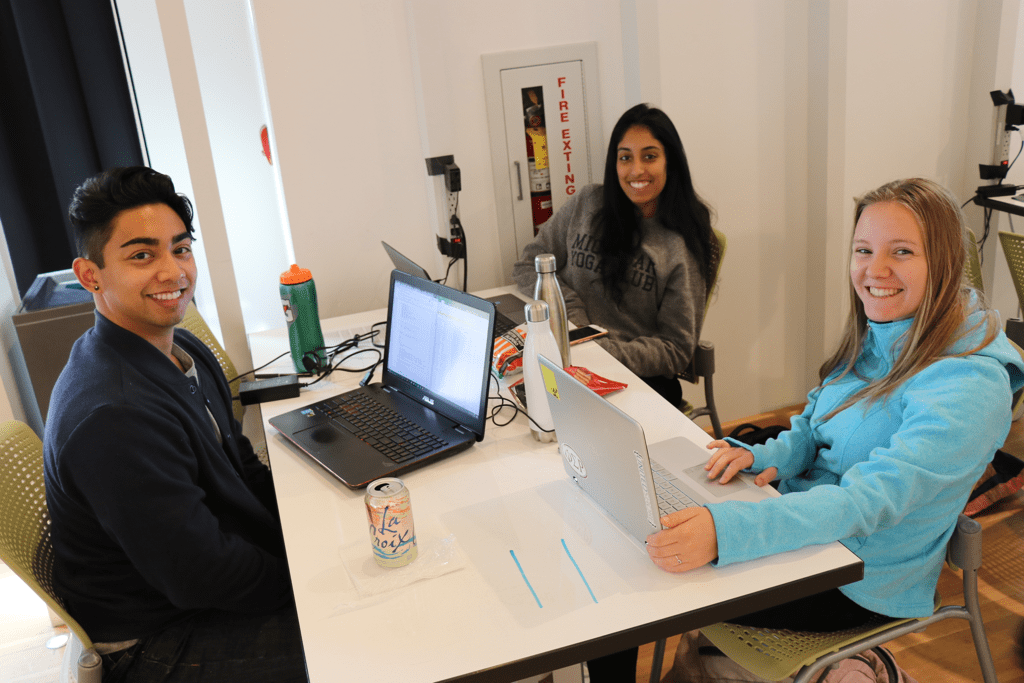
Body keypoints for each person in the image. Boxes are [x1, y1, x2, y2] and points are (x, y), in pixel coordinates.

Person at [643, 177, 1024, 681]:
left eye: (902, 252)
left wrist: (728, 531)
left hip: (860, 580)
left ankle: (859, 665)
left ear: (948, 263)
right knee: (656, 554)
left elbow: (866, 504)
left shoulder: (970, 383)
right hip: (811, 534)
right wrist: (764, 456)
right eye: (862, 250)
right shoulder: (885, 331)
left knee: (658, 590)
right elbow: (812, 429)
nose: (874, 270)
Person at [42, 167, 306, 682]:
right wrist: (307, 579)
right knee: (368, 637)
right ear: (90, 274)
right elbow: (201, 576)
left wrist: (310, 531)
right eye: (142, 255)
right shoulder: (112, 417)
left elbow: (241, 469)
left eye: (180, 249)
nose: (173, 272)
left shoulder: (180, 350)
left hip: (198, 592)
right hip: (159, 643)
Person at [512, 103, 716, 408]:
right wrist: (570, 313)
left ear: (669, 161)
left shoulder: (681, 245)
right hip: (569, 356)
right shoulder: (587, 203)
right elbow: (531, 263)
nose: (636, 170)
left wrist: (601, 351)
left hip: (635, 380)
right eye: (625, 158)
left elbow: (676, 349)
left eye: (650, 156)